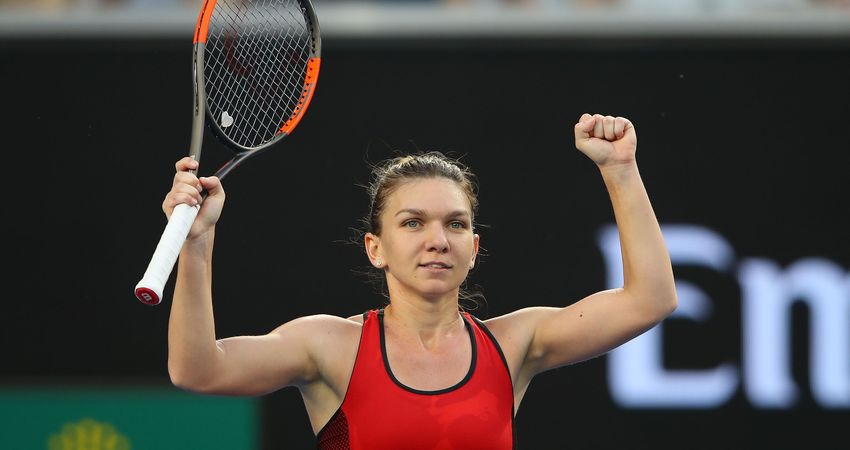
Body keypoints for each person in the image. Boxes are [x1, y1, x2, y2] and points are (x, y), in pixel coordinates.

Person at [164, 113, 678, 449]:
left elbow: (651, 299)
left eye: (456, 224)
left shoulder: (516, 344)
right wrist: (197, 242)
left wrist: (621, 169)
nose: (438, 240)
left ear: (474, 250)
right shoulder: (328, 347)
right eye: (413, 223)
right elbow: (198, 370)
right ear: (376, 248)